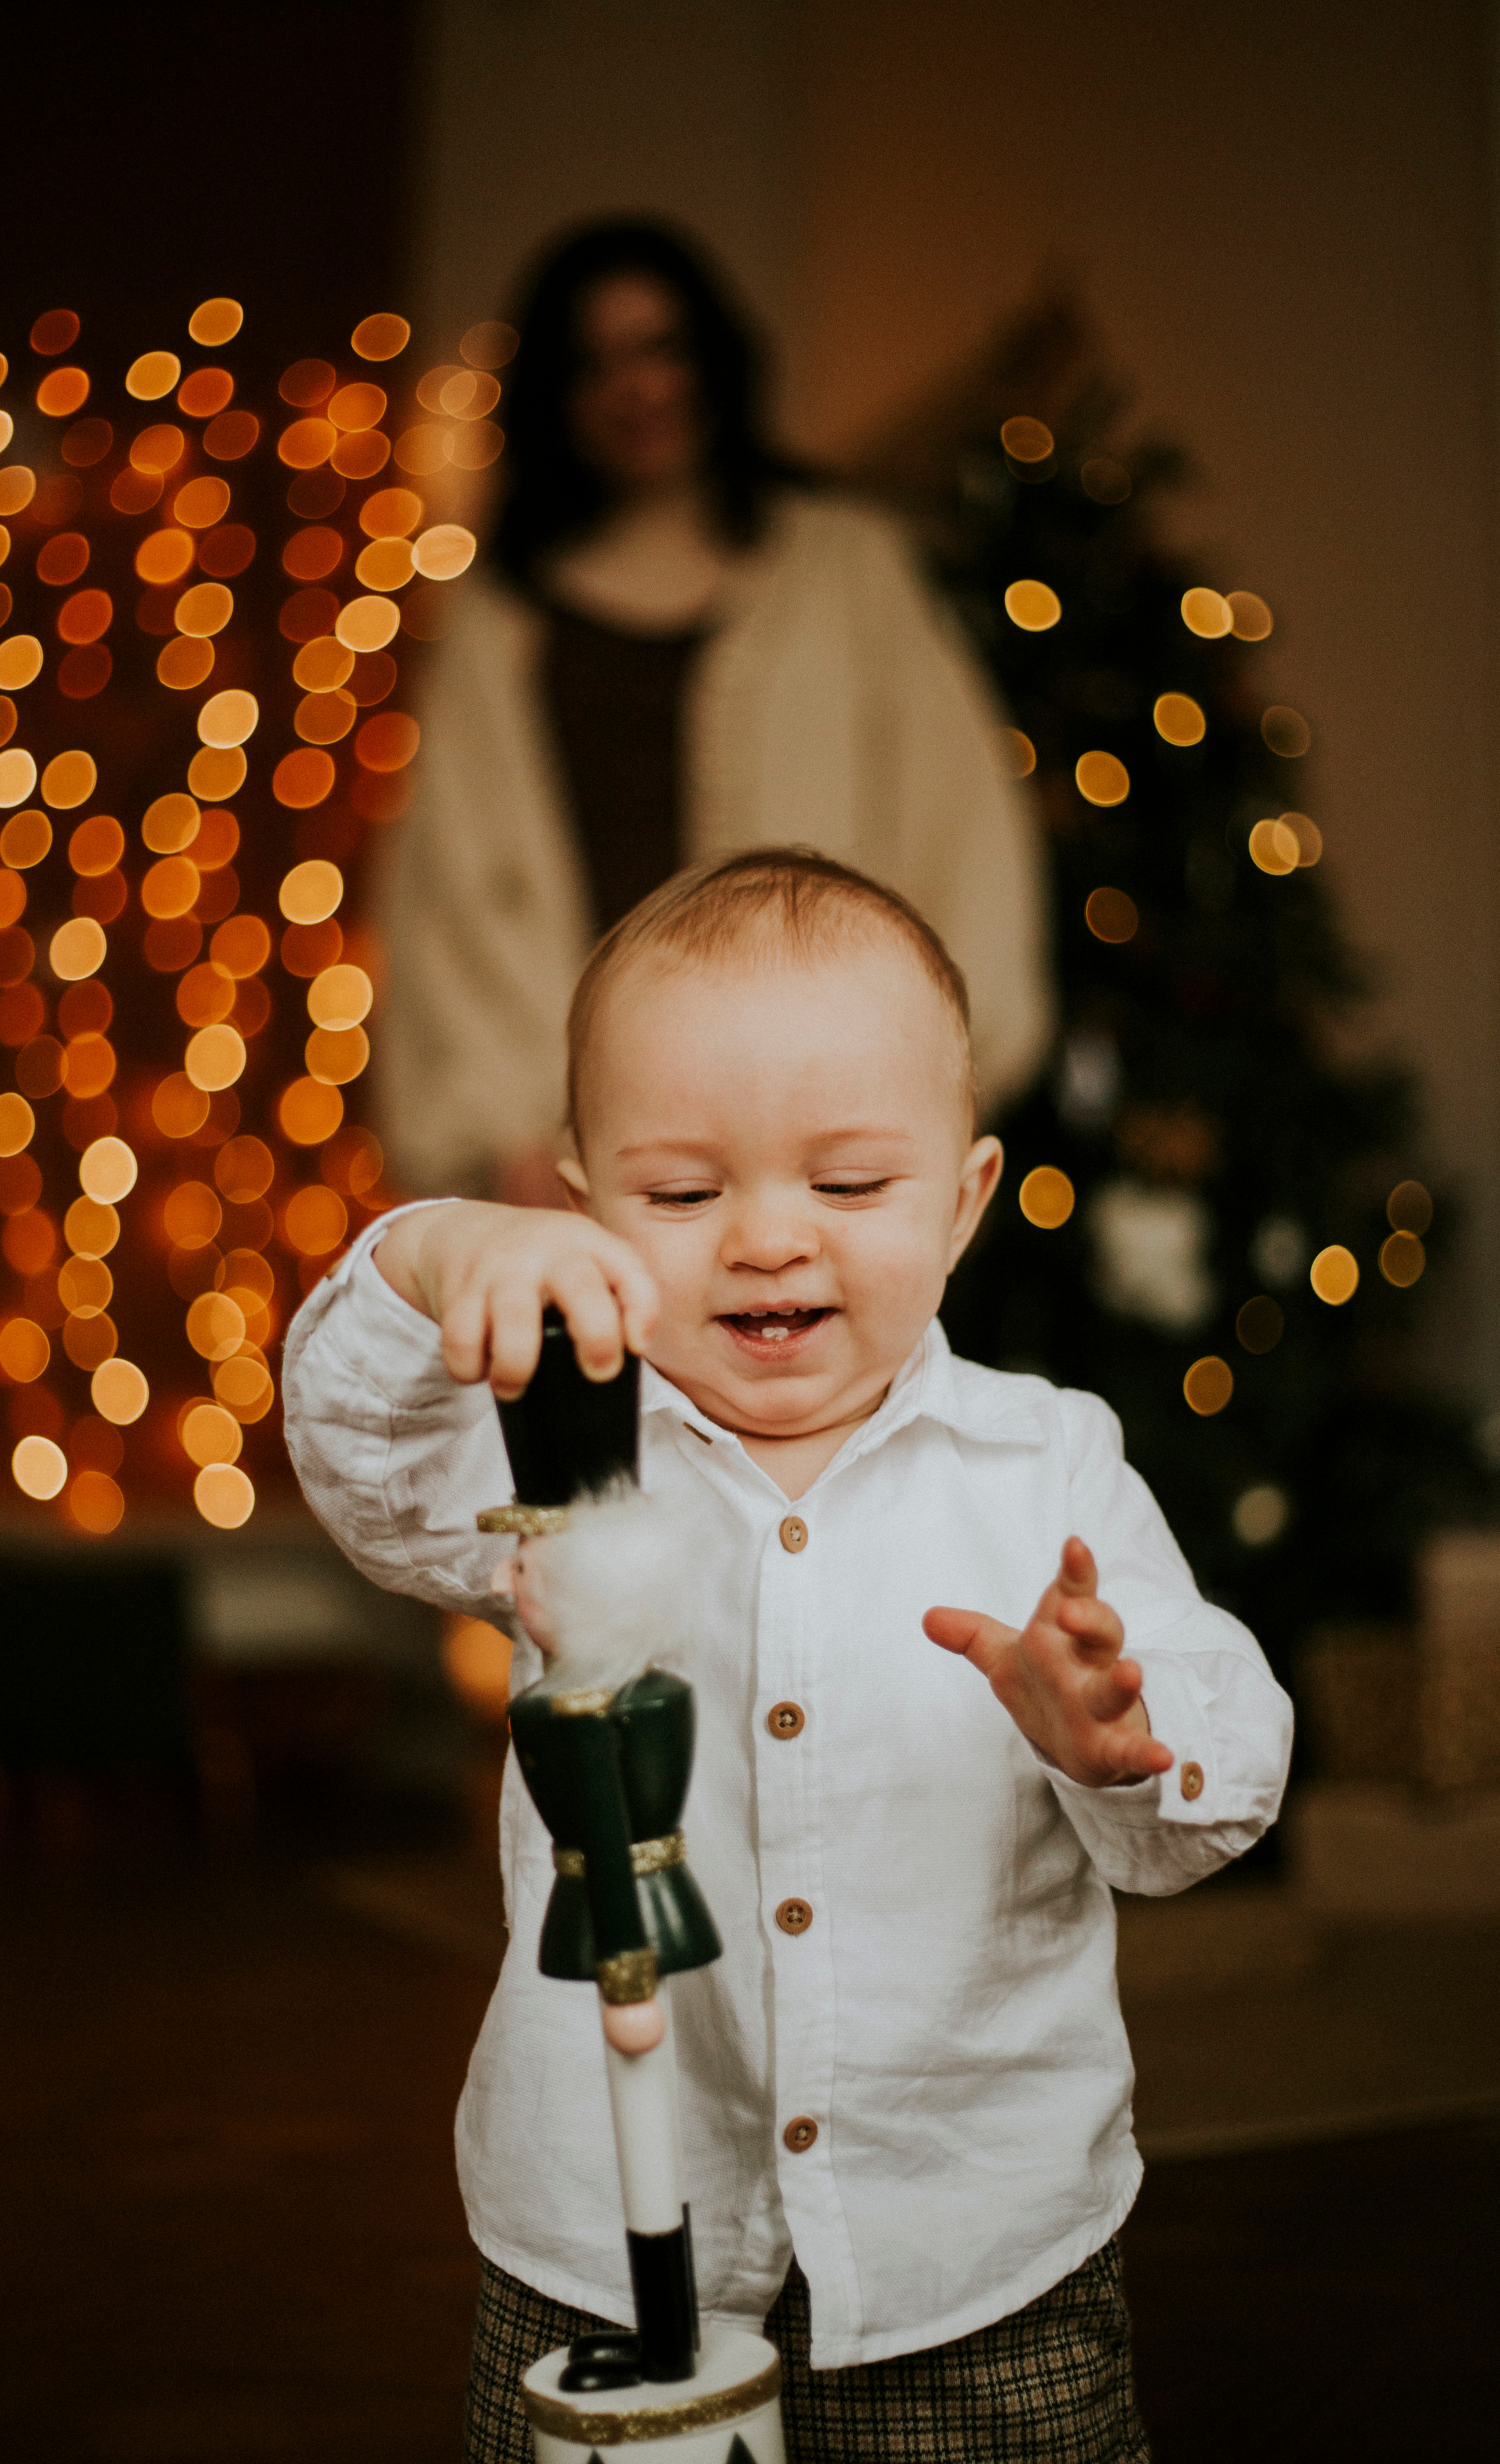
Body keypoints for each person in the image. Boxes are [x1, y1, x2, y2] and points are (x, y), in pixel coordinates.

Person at [286, 847, 1291, 2462]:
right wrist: (430, 1257)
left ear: (961, 1204)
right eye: (683, 1194)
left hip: (978, 2274)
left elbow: (1216, 1780)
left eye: (845, 1185)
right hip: (599, 2255)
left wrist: (1119, 1733)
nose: (764, 1239)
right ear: (588, 1201)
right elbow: (360, 1466)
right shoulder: (560, 1450)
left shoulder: (1043, 1472)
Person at [374, 221, 1052, 1204]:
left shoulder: (852, 569)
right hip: (569, 1163)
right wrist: (509, 1134)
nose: (636, 388)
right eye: (595, 362)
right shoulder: (498, 614)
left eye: (661, 348)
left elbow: (966, 827)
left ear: (714, 358)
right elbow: (450, 894)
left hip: (831, 1133)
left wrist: (928, 1077)